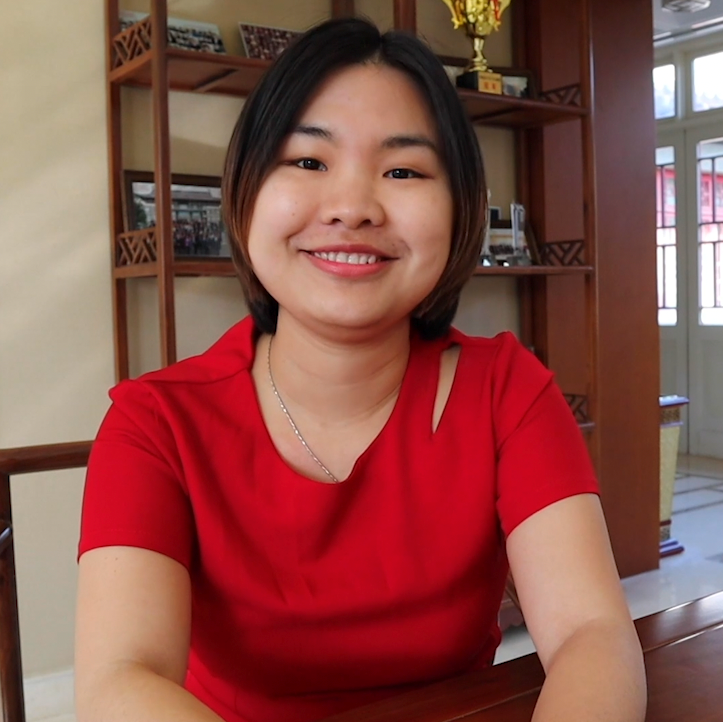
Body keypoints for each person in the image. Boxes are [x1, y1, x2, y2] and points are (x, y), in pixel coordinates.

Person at [75, 17, 646, 722]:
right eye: (307, 162)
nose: (351, 208)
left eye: (403, 170)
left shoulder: (507, 392)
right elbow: (120, 680)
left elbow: (592, 634)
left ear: (460, 208)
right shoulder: (153, 423)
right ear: (245, 190)